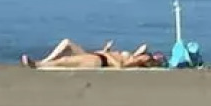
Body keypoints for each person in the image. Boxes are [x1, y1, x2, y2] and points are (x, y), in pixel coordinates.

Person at [22, 39, 164, 70]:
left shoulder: (140, 59)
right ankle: (42, 61)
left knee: (64, 60)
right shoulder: (135, 55)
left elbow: (120, 66)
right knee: (67, 43)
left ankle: (38, 64)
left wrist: (107, 55)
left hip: (98, 60)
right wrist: (106, 50)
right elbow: (143, 47)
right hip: (97, 55)